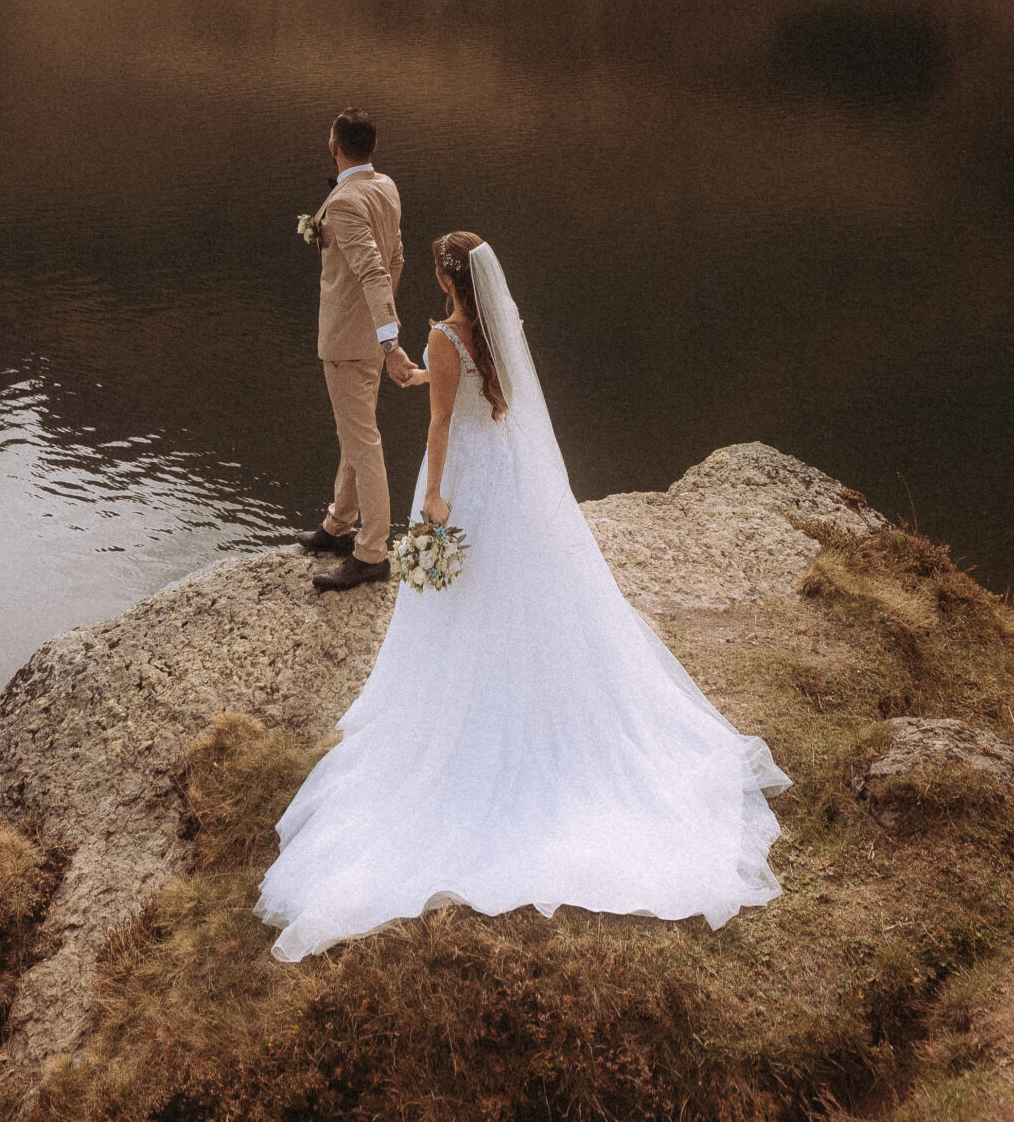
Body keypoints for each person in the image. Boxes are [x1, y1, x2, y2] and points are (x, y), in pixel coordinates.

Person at [260, 230, 789, 957]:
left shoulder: (444, 335)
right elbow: (477, 396)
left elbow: (445, 423)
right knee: (517, 597)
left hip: (465, 481)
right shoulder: (495, 332)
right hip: (506, 475)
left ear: (448, 280)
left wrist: (437, 497)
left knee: (450, 596)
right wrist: (419, 379)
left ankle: (462, 702)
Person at [294, 108, 427, 594]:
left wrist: (388, 342)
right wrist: (381, 327)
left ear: (335, 145)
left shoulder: (347, 200)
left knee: (362, 441)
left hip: (353, 341)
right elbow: (395, 259)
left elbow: (373, 270)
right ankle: (338, 524)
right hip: (368, 335)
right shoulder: (386, 186)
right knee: (355, 431)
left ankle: (371, 552)